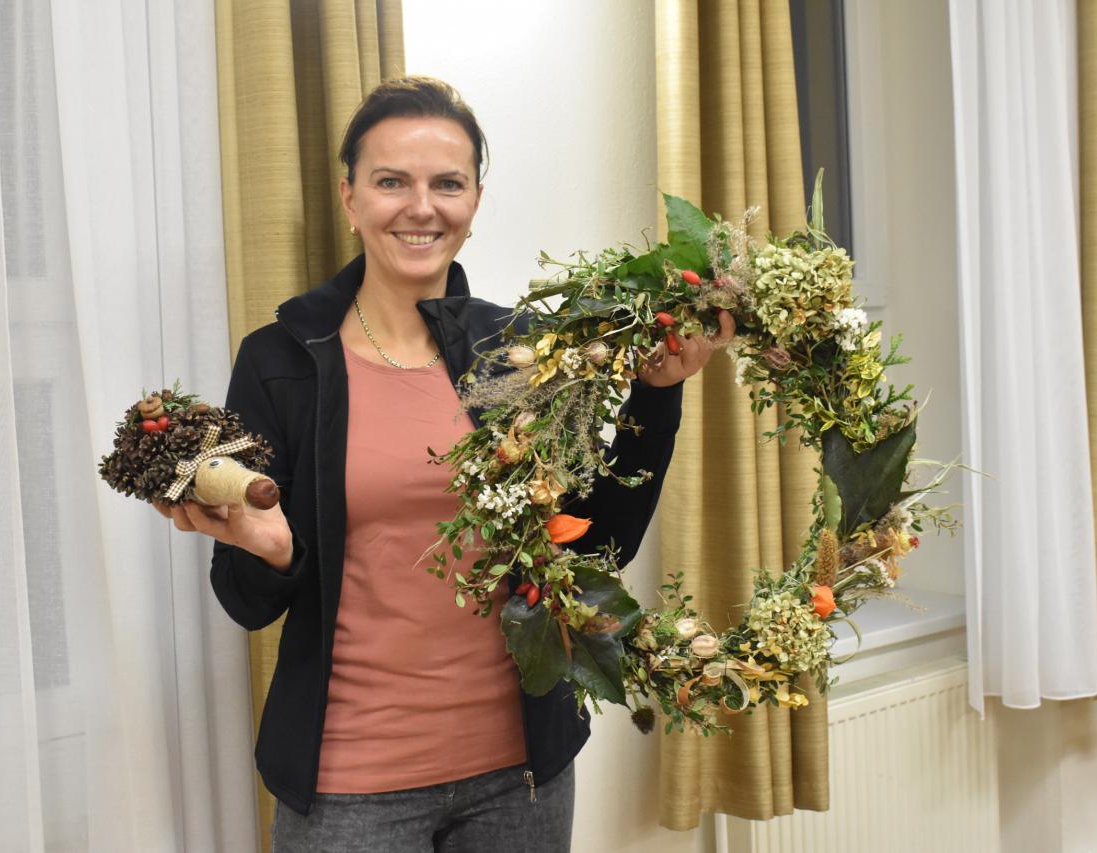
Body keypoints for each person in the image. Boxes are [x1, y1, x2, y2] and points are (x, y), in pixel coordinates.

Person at [157, 77, 734, 852]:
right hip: (350, 786)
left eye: (448, 184)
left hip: (519, 776)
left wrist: (656, 398)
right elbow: (245, 601)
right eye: (392, 181)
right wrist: (276, 553)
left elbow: (595, 545)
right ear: (350, 197)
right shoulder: (283, 360)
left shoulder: (516, 351)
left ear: (476, 200)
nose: (421, 207)